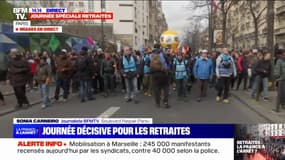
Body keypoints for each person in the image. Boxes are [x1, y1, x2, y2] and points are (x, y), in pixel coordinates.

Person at [150, 44, 170, 108]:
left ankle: (157, 103)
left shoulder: (151, 55)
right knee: (166, 88)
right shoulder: (163, 54)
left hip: (155, 74)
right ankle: (165, 102)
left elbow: (148, 63)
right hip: (163, 74)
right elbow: (168, 62)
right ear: (160, 47)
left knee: (157, 89)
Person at [274, 47, 285, 111]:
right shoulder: (279, 61)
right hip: (282, 79)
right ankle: (282, 104)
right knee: (281, 92)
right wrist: (278, 77)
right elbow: (277, 70)